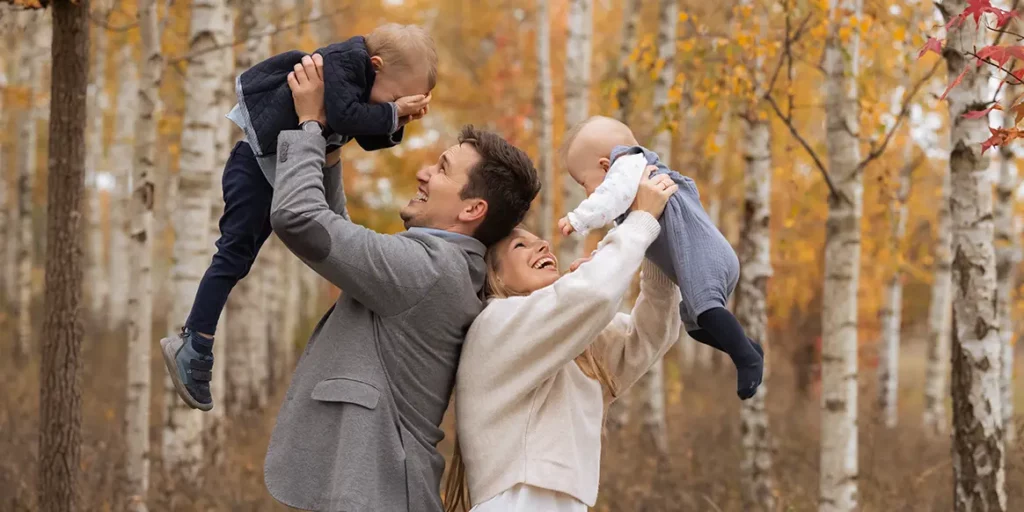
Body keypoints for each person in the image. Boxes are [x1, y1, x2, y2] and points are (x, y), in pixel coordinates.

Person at [252, 54, 539, 512]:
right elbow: (341, 239)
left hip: (376, 493)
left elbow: (301, 220)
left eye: (442, 169)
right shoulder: (443, 266)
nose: (424, 173)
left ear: (472, 210)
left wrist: (309, 126)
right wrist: (330, 143)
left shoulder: (429, 269)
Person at [160, 23, 434, 411]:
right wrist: (389, 113)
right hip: (254, 166)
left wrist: (396, 119)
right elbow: (347, 117)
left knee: (242, 260)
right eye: (394, 96)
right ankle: (195, 341)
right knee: (232, 256)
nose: (393, 105)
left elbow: (365, 133)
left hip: (274, 170)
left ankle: (195, 339)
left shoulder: (361, 79)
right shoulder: (342, 63)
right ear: (376, 65)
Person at [444, 169, 682, 512]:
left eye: (539, 241)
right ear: (494, 275)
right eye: (520, 245)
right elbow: (594, 294)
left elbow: (650, 336)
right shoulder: (496, 323)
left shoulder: (572, 347)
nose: (543, 245)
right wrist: (640, 221)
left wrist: (657, 256)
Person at [557, 115, 764, 400]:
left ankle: (746, 359)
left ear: (606, 166)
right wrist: (598, 258)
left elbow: (608, 197)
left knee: (707, 311)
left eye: (584, 183)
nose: (588, 192)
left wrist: (578, 218)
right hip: (705, 261)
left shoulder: (629, 166)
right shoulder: (640, 190)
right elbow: (628, 234)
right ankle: (746, 347)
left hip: (703, 257)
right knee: (695, 325)